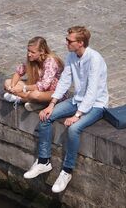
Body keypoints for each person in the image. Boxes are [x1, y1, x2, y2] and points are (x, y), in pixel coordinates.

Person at [23, 26, 108, 193]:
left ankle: (67, 171)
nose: (66, 43)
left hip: (96, 104)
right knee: (46, 117)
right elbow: (64, 82)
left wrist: (77, 115)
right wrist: (52, 104)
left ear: (80, 43)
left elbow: (92, 91)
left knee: (74, 129)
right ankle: (44, 161)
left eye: (70, 41)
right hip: (77, 100)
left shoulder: (95, 60)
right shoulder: (71, 56)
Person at [3, 37, 64, 111]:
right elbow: (18, 72)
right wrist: (12, 87)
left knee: (34, 95)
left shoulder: (51, 62)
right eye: (28, 51)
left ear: (41, 51)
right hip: (35, 87)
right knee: (7, 83)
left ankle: (20, 100)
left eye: (33, 52)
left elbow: (43, 86)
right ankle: (34, 102)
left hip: (53, 92)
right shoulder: (32, 60)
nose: (29, 54)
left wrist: (23, 88)